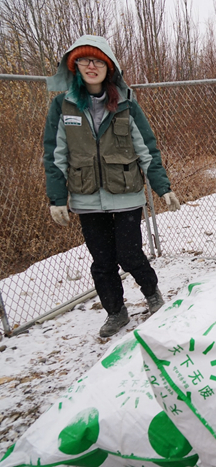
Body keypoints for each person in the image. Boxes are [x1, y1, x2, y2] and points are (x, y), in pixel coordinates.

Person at [43, 35, 181, 337]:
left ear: (109, 68)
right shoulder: (63, 105)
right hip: (86, 197)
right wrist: (57, 198)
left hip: (126, 194)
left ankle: (152, 293)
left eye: (97, 61)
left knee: (129, 254)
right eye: (84, 60)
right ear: (75, 66)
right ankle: (116, 312)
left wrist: (163, 187)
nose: (91, 66)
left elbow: (147, 148)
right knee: (103, 261)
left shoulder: (126, 103)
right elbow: (55, 154)